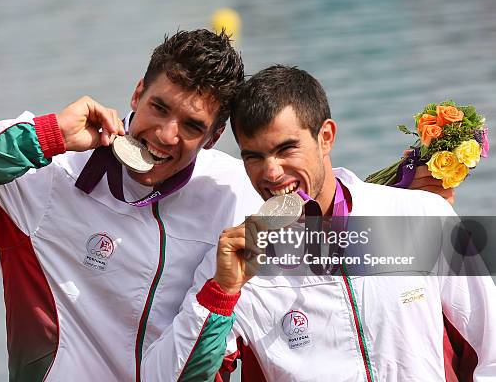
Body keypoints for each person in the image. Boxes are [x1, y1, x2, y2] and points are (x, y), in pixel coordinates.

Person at [0, 29, 455, 381]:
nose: (165, 135)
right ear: (135, 92)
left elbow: (322, 225)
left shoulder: (235, 189)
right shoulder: (46, 177)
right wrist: (45, 135)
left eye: (192, 125)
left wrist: (418, 207)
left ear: (212, 139)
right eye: (158, 107)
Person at [140, 65, 495, 381]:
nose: (272, 172)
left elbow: (490, 352)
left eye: (286, 149)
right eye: (254, 156)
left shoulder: (419, 216)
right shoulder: (238, 262)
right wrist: (221, 293)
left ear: (325, 137)